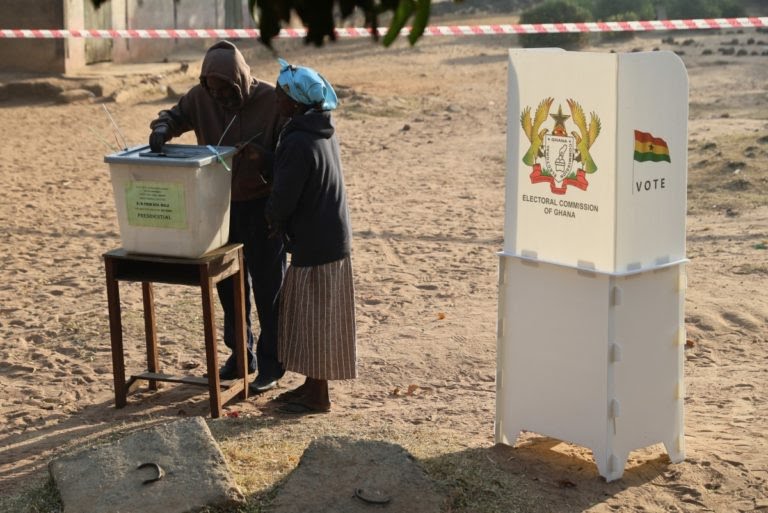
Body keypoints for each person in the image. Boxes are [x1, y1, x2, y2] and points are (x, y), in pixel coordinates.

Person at [148, 41, 287, 393]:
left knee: (270, 288)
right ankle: (240, 356)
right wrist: (163, 128)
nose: (220, 97)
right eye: (214, 90)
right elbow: (176, 115)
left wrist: (264, 163)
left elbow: (289, 157)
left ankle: (272, 364)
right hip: (218, 205)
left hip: (262, 208)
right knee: (229, 286)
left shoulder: (272, 102)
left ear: (240, 80)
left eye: (226, 90)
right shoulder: (200, 97)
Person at [265, 59, 357, 413]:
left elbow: (285, 197)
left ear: (294, 101)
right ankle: (310, 386)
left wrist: (271, 217)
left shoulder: (299, 140)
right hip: (331, 237)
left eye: (279, 95)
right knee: (314, 316)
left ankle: (318, 397)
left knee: (312, 319)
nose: (275, 101)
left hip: (316, 242)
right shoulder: (320, 129)